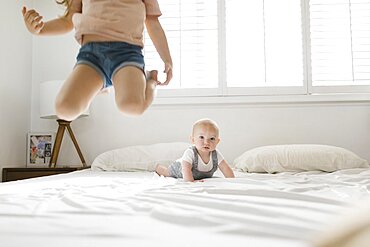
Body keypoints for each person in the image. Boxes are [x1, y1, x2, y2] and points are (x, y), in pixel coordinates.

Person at [22, 0, 173, 121]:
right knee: (64, 110)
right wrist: (40, 29)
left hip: (127, 55)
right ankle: (99, 86)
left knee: (131, 107)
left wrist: (167, 59)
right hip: (91, 56)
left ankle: (150, 80)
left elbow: (152, 23)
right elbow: (68, 21)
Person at [156, 118, 235, 182]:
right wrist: (191, 182)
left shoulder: (216, 154)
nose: (206, 142)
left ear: (217, 142)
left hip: (193, 172)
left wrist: (232, 181)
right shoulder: (190, 152)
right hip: (180, 168)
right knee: (166, 172)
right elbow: (186, 169)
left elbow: (225, 168)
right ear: (193, 140)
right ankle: (158, 167)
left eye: (212, 138)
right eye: (201, 137)